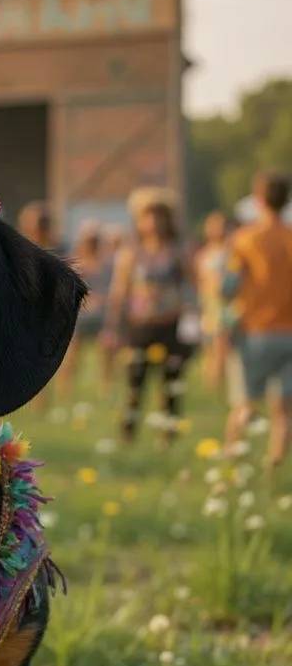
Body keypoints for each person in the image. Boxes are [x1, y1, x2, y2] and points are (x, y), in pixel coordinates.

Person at [106, 198, 191, 443]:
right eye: (147, 217)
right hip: (140, 325)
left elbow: (190, 285)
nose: (153, 222)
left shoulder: (177, 251)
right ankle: (128, 433)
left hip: (170, 324)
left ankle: (168, 434)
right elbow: (120, 290)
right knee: (135, 382)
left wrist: (194, 315)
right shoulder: (131, 252)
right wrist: (113, 326)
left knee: (171, 383)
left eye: (158, 216)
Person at [224, 172, 292, 469]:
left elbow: (229, 286)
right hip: (290, 331)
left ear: (259, 200)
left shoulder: (245, 239)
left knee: (246, 403)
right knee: (284, 410)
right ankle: (274, 466)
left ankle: (231, 460)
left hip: (256, 331)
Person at [60, 220, 114, 396]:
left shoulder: (107, 264)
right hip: (80, 317)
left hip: (101, 316)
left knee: (105, 354)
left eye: (94, 240)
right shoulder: (75, 264)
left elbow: (112, 289)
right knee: (71, 355)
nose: (92, 244)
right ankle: (65, 389)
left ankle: (105, 387)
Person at [194, 210, 233, 391]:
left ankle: (218, 382)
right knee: (209, 346)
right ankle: (211, 383)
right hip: (209, 304)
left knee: (222, 344)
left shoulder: (231, 251)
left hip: (226, 304)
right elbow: (199, 280)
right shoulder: (203, 254)